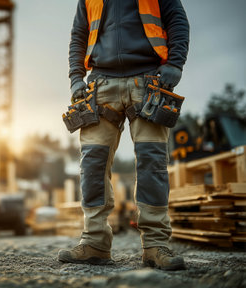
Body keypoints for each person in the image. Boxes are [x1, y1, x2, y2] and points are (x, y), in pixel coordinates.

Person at [58, 0, 189, 271]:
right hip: (100, 84)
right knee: (92, 166)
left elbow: (177, 22)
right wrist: (75, 78)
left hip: (149, 81)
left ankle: (155, 245)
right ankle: (94, 242)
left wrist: (175, 64)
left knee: (152, 163)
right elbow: (78, 35)